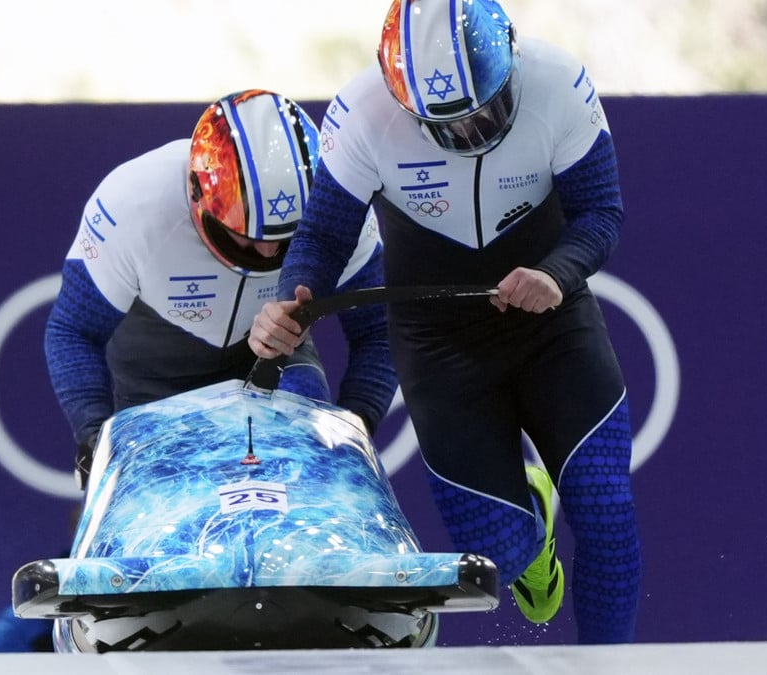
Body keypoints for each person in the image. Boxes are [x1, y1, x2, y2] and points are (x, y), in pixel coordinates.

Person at [248, 0, 641, 644]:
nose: (471, 130)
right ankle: (531, 526)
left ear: (511, 61)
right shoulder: (360, 114)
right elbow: (322, 236)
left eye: (486, 109)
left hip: (551, 324)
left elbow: (601, 212)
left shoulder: (559, 82)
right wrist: (291, 299)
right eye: (446, 124)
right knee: (501, 553)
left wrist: (556, 274)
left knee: (606, 510)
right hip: (439, 345)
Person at [44, 89, 397, 491]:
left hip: (275, 358)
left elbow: (378, 331)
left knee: (308, 476)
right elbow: (74, 330)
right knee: (164, 501)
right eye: (248, 236)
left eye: (288, 237)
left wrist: (353, 430)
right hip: (156, 375)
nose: (267, 252)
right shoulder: (134, 203)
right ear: (199, 198)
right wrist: (95, 440)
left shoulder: (341, 203)